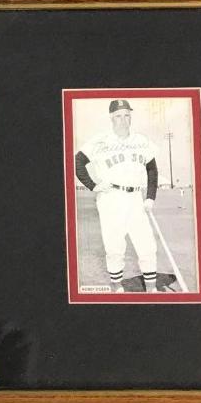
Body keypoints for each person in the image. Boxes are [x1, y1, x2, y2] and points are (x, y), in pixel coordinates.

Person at [73, 99, 162, 293]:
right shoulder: (100, 140)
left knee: (147, 245)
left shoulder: (141, 141)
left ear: (131, 117)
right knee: (114, 248)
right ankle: (117, 288)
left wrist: (150, 197)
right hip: (110, 198)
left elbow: (152, 170)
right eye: (118, 116)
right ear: (111, 118)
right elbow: (77, 161)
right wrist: (93, 185)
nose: (123, 120)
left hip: (135, 198)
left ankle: (152, 289)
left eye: (127, 116)